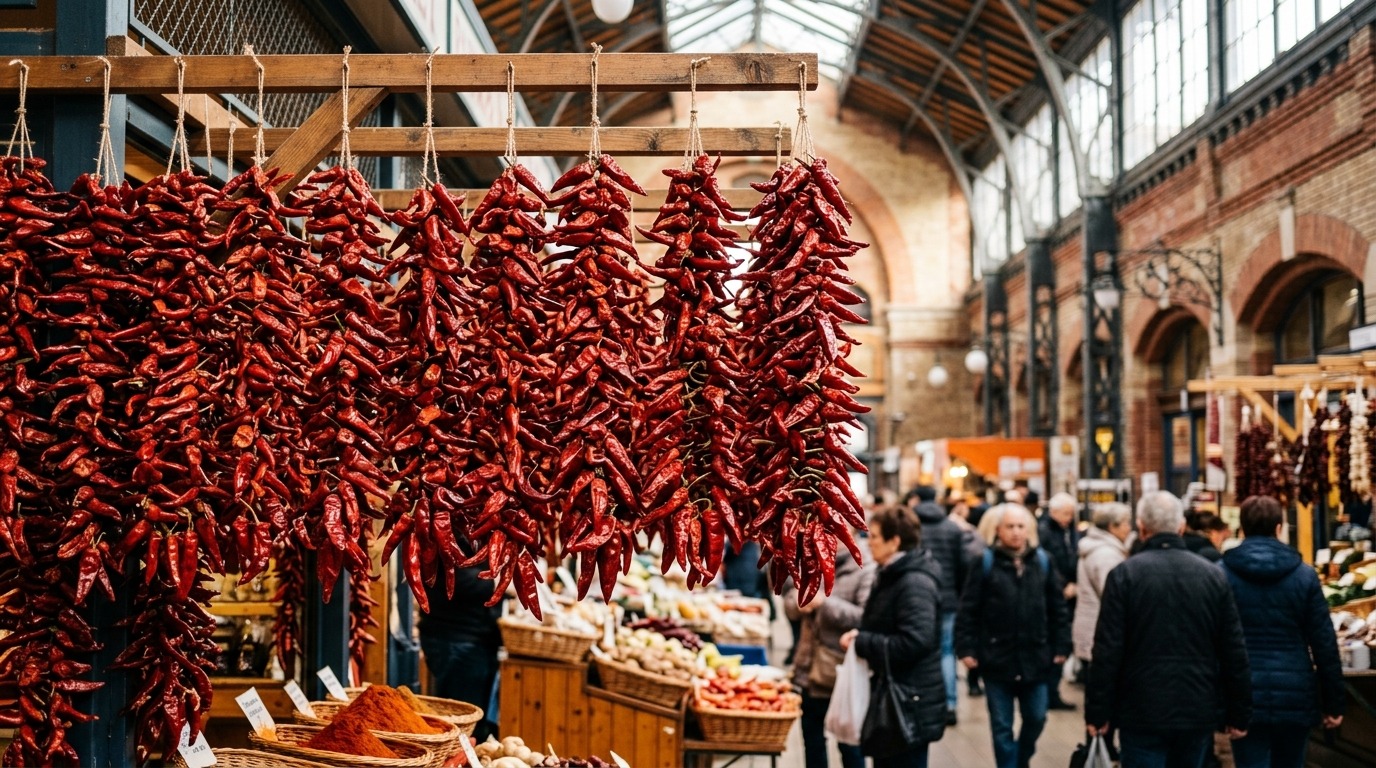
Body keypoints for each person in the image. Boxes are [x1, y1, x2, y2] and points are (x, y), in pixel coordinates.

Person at [1086, 491, 1252, 768]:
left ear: (1141, 526)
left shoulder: (1125, 575)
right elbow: (1232, 648)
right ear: (1181, 527)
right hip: (1197, 706)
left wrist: (1098, 712)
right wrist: (1238, 711)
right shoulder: (1212, 575)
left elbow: (1107, 649)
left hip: (1140, 708)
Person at [1222, 496, 1345, 768]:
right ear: (1279, 528)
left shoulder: (1222, 574)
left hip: (1244, 696)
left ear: (1241, 529)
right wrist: (1334, 703)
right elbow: (1324, 642)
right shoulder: (1304, 575)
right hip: (1295, 694)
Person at [956, 504, 1070, 768]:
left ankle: (1021, 759)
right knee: (1001, 726)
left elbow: (1057, 608)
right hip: (997, 659)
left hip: (1036, 657)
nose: (1016, 532)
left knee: (1037, 717)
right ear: (998, 531)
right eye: (1010, 527)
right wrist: (966, 648)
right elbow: (968, 609)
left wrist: (1062, 645)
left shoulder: (1043, 562)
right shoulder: (984, 563)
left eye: (1021, 526)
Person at [840, 506, 946, 768]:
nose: (869, 542)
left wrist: (863, 642)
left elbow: (916, 641)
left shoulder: (914, 583)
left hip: (909, 701)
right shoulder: (890, 573)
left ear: (894, 541)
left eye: (874, 536)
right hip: (898, 695)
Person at [784, 536, 875, 768]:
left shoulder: (865, 568)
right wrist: (796, 603)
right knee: (812, 741)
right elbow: (790, 606)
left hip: (841, 672)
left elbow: (866, 618)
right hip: (807, 669)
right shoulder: (812, 561)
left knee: (850, 746)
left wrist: (825, 603)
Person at [911, 485, 979, 725]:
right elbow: (964, 565)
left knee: (922, 650)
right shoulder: (952, 528)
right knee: (947, 652)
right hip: (949, 598)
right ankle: (950, 704)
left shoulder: (912, 527)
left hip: (919, 598)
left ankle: (922, 701)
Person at [1071, 503, 1133, 757]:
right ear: (1113, 526)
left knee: (1098, 701)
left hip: (1091, 632)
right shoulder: (1106, 555)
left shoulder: (1098, 549)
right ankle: (1101, 755)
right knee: (1103, 704)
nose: (1129, 529)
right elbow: (1116, 599)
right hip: (1100, 636)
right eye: (1126, 523)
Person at [419, 565, 502, 740]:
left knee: (473, 719)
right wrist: (497, 579)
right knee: (461, 721)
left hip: (474, 638)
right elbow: (455, 577)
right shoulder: (449, 538)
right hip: (455, 638)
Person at [1038, 492, 1080, 711]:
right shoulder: (1045, 531)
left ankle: (1051, 691)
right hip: (1055, 594)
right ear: (1053, 512)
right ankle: (1048, 692)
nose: (1069, 517)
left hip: (1068, 592)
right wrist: (1061, 585)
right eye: (1065, 513)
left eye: (1071, 513)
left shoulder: (1070, 531)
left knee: (1063, 642)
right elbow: (1048, 562)